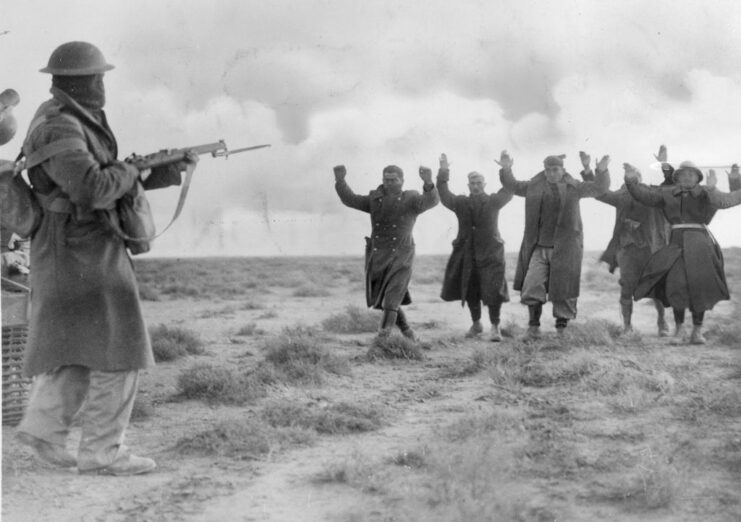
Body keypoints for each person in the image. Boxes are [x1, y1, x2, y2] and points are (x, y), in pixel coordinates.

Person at [15, 41, 198, 475]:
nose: (102, 85)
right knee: (121, 348)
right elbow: (92, 189)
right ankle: (102, 453)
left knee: (79, 344)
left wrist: (159, 173)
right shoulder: (59, 127)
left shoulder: (71, 119)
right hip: (78, 251)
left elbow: (94, 181)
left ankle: (43, 430)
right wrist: (134, 170)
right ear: (80, 81)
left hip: (76, 248)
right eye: (97, 77)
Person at [624, 161, 741, 344]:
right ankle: (679, 331)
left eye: (691, 174)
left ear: (697, 178)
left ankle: (697, 331)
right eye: (683, 174)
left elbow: (728, 200)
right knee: (675, 284)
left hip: (701, 245)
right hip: (676, 244)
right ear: (676, 178)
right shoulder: (667, 193)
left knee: (699, 286)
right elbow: (644, 196)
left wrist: (729, 181)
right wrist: (631, 180)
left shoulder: (707, 192)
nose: (687, 177)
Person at [497, 150, 610, 338]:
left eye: (555, 169)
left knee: (564, 289)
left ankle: (561, 330)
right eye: (548, 170)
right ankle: (533, 328)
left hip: (566, 248)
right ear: (544, 171)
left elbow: (600, 188)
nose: (551, 173)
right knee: (532, 285)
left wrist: (600, 170)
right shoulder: (534, 187)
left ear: (562, 170)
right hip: (539, 247)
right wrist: (507, 168)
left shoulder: (574, 187)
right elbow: (512, 185)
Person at [334, 162, 439, 339]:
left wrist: (428, 182)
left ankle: (382, 340)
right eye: (386, 179)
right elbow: (350, 199)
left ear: (402, 181)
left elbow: (431, 201)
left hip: (402, 256)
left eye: (394, 180)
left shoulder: (411, 199)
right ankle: (408, 332)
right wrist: (340, 180)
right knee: (384, 301)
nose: (390, 183)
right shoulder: (375, 199)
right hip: (379, 256)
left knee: (391, 300)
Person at [580, 149, 671, 335]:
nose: (628, 178)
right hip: (627, 249)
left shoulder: (653, 192)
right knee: (627, 286)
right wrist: (592, 170)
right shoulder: (621, 195)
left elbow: (670, 187)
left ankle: (662, 322)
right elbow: (599, 192)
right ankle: (627, 327)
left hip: (652, 248)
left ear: (639, 177)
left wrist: (664, 164)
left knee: (656, 285)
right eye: (626, 175)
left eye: (633, 174)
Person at [437, 153, 512, 341]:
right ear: (468, 185)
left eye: (479, 182)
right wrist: (444, 171)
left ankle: (495, 327)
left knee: (494, 290)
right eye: (473, 183)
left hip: (492, 253)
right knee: (470, 288)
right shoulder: (461, 203)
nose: (476, 186)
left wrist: (506, 169)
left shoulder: (494, 201)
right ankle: (477, 323)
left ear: (485, 184)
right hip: (467, 252)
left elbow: (509, 190)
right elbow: (444, 195)